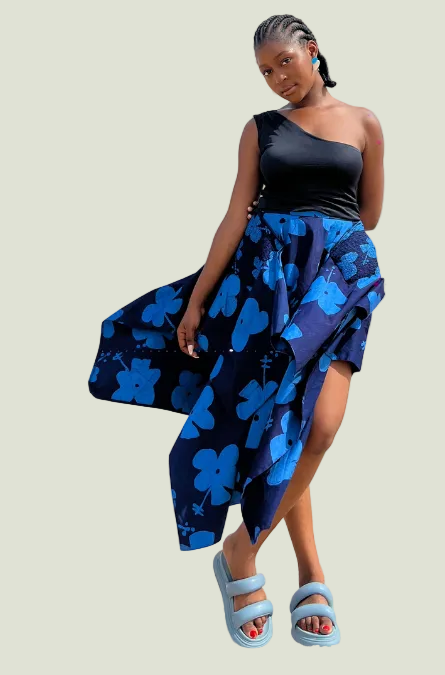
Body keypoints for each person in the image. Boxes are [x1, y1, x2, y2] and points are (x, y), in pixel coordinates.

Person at [88, 14, 385, 647]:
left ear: (312, 51)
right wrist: (196, 303)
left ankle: (242, 549)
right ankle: (312, 572)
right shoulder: (259, 130)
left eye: (284, 62)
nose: (277, 78)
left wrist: (321, 237)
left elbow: (371, 214)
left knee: (321, 425)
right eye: (265, 71)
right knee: (282, 420)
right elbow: (233, 215)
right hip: (267, 279)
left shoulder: (365, 123)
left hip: (337, 278)